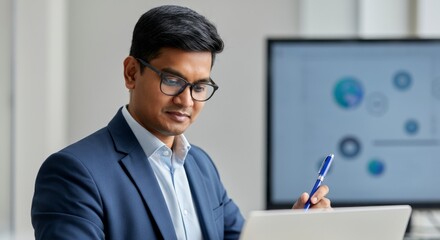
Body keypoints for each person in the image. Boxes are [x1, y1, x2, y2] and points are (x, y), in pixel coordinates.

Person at [31, 5, 330, 240]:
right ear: (132, 73)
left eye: (200, 86)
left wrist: (294, 230)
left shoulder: (201, 165)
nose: (186, 100)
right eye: (172, 80)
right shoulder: (74, 173)